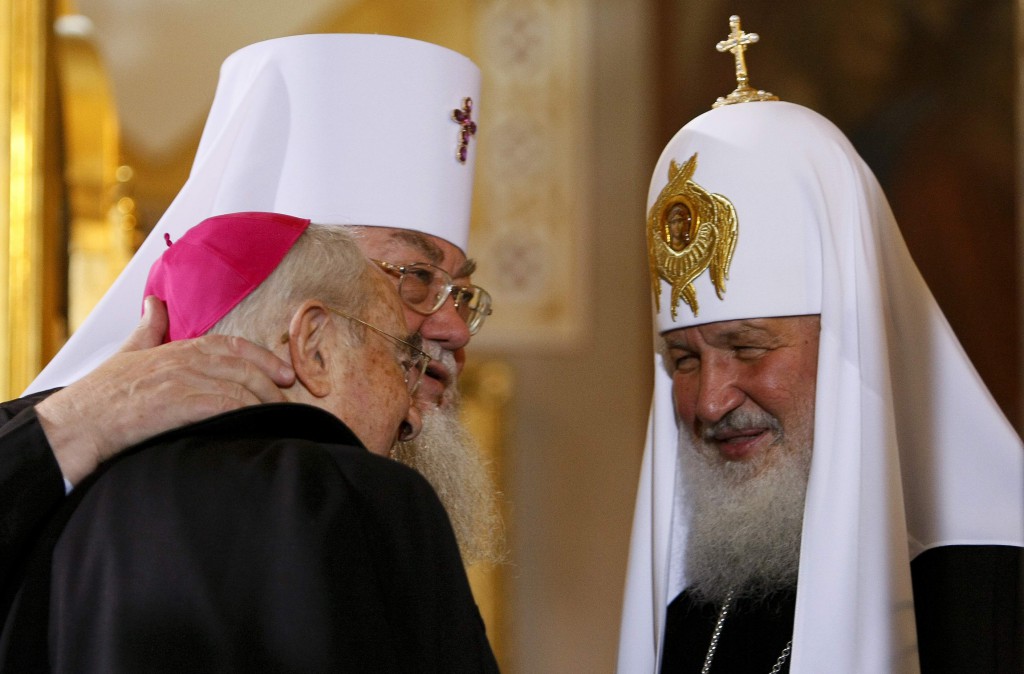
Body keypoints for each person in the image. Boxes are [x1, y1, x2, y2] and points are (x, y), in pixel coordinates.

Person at [0, 34, 502, 578]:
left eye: (462, 293)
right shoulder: (65, 455)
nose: (455, 328)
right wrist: (75, 428)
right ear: (303, 323)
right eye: (418, 278)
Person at [617, 17, 1023, 674]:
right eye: (684, 360)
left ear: (850, 343)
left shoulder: (998, 597)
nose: (710, 401)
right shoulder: (705, 596)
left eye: (747, 348)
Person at [0, 211, 499, 672]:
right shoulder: (358, 493)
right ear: (313, 346)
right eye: (401, 361)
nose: (411, 414)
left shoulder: (56, 510)